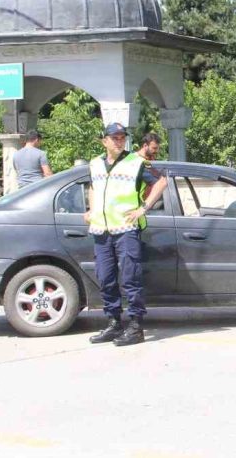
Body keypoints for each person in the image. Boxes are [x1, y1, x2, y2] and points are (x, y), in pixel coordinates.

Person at [85, 125, 167, 347]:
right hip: (101, 229)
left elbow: (161, 182)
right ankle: (113, 323)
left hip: (126, 229)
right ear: (104, 141)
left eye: (122, 138)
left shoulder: (136, 162)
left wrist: (143, 208)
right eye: (115, 138)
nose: (119, 142)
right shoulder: (95, 163)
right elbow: (92, 187)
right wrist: (91, 209)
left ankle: (135, 327)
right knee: (105, 278)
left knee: (131, 278)